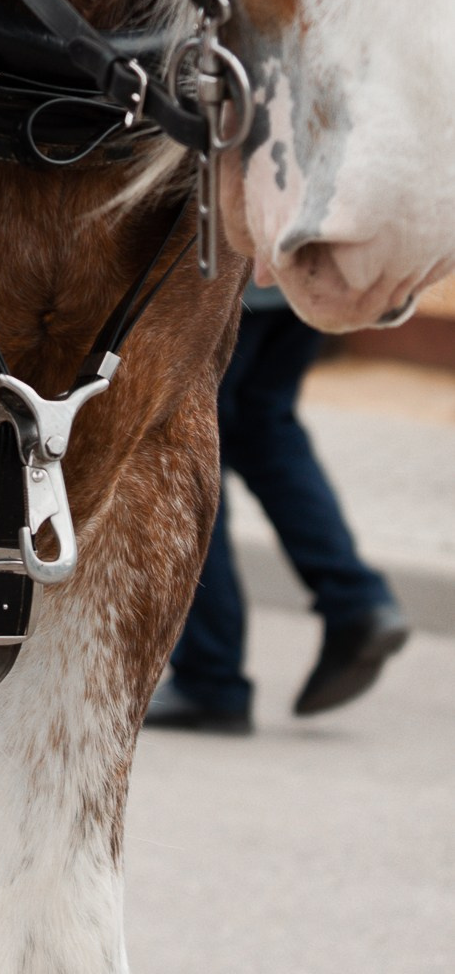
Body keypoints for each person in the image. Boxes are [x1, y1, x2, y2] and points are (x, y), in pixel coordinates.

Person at [145, 282, 410, 733]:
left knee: (190, 447)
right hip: (298, 282)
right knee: (266, 428)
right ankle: (356, 601)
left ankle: (210, 675)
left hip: (227, 280)